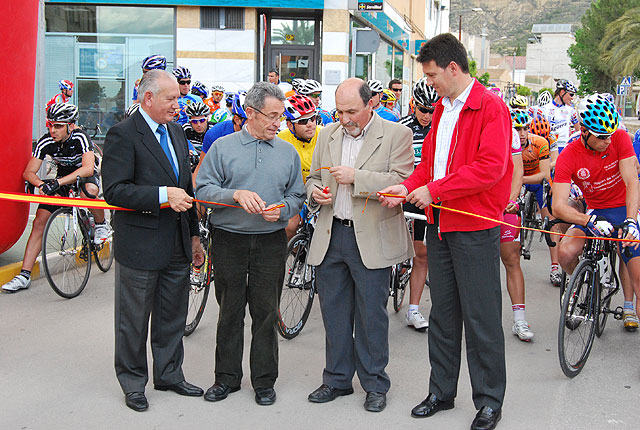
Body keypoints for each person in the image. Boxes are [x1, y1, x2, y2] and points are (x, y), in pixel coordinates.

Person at [379, 33, 511, 430]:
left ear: (454, 68)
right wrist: (407, 185)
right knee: (444, 316)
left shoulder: (490, 108)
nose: (431, 83)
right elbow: (430, 165)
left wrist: (433, 190)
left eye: (434, 75)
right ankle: (441, 391)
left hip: (474, 226)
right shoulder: (442, 109)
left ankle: (489, 400)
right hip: (439, 225)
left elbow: (490, 168)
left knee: (482, 317)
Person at [305, 77, 414, 413]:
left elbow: (402, 181)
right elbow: (313, 177)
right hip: (331, 234)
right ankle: (337, 379)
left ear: (372, 104)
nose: (344, 118)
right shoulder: (327, 134)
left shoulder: (397, 135)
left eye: (351, 111)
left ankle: (374, 384)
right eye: (339, 111)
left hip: (372, 239)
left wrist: (357, 178)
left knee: (371, 316)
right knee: (334, 313)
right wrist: (315, 193)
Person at [196, 81, 306, 406]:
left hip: (271, 241)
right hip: (229, 239)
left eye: (281, 116)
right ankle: (226, 379)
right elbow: (202, 189)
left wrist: (283, 210)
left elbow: (297, 195)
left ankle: (264, 381)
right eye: (271, 116)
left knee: (266, 312)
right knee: (229, 311)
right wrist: (235, 195)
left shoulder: (287, 152)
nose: (278, 123)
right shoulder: (223, 148)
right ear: (251, 113)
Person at [101, 69, 205, 412]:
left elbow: (186, 190)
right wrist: (162, 195)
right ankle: (133, 382)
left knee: (171, 316)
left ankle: (170, 373)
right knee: (133, 320)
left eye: (178, 98)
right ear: (148, 99)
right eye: (171, 99)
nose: (179, 105)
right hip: (141, 245)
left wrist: (193, 236)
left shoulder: (176, 132)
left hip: (176, 242)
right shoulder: (123, 134)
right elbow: (115, 191)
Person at [553, 94, 640, 332]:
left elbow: (632, 181)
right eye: (601, 136)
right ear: (584, 131)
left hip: (624, 208)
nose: (607, 141)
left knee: (636, 272)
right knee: (566, 251)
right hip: (595, 212)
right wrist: (586, 219)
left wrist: (631, 221)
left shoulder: (619, 138)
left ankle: (629, 304)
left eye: (610, 134)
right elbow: (558, 205)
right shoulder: (569, 155)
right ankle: (579, 280)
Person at [2, 103, 108, 293]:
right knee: (39, 221)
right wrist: (42, 185)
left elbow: (87, 168)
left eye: (58, 126)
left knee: (89, 192)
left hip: (84, 174)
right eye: (51, 125)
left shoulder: (80, 137)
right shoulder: (46, 141)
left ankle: (100, 225)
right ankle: (24, 275)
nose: (53, 130)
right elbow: (29, 172)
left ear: (71, 125)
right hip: (62, 178)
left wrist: (57, 183)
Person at [398, 78, 439, 331]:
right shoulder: (402, 127)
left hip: (427, 198)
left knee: (421, 255)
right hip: (403, 194)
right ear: (414, 105)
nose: (427, 115)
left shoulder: (442, 128)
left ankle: (413, 309)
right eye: (423, 109)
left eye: (432, 110)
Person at [500, 118, 532, 341]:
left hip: (505, 204)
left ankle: (520, 320)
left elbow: (517, 171)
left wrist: (511, 199)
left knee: (511, 258)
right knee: (481, 264)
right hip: (480, 206)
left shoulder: (509, 132)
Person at [278, 94, 322, 239]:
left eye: (313, 118)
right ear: (290, 125)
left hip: (320, 189)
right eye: (303, 121)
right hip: (293, 191)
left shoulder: (324, 135)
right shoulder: (280, 139)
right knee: (291, 224)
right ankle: (294, 253)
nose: (310, 124)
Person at [539, 79, 579, 152]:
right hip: (548, 148)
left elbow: (579, 131)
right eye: (571, 94)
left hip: (564, 148)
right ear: (562, 92)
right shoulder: (544, 109)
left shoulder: (571, 111)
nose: (572, 97)